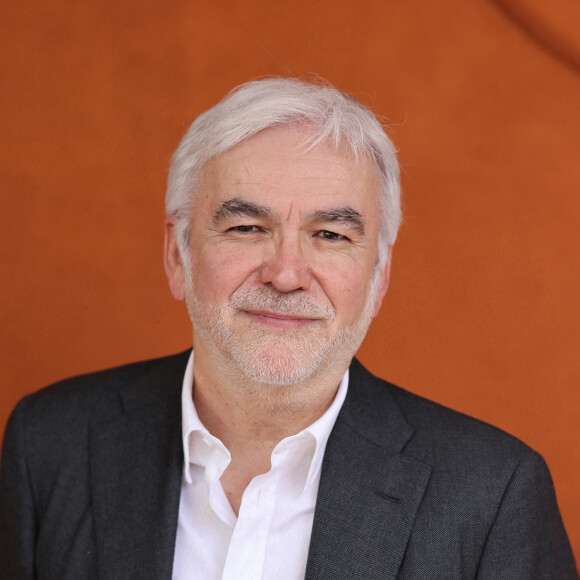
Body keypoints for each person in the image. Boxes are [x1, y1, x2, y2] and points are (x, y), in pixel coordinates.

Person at [0, 78, 577, 580]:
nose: (286, 274)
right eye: (248, 226)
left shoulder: (493, 494)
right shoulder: (50, 444)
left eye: (330, 235)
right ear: (177, 256)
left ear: (377, 279)